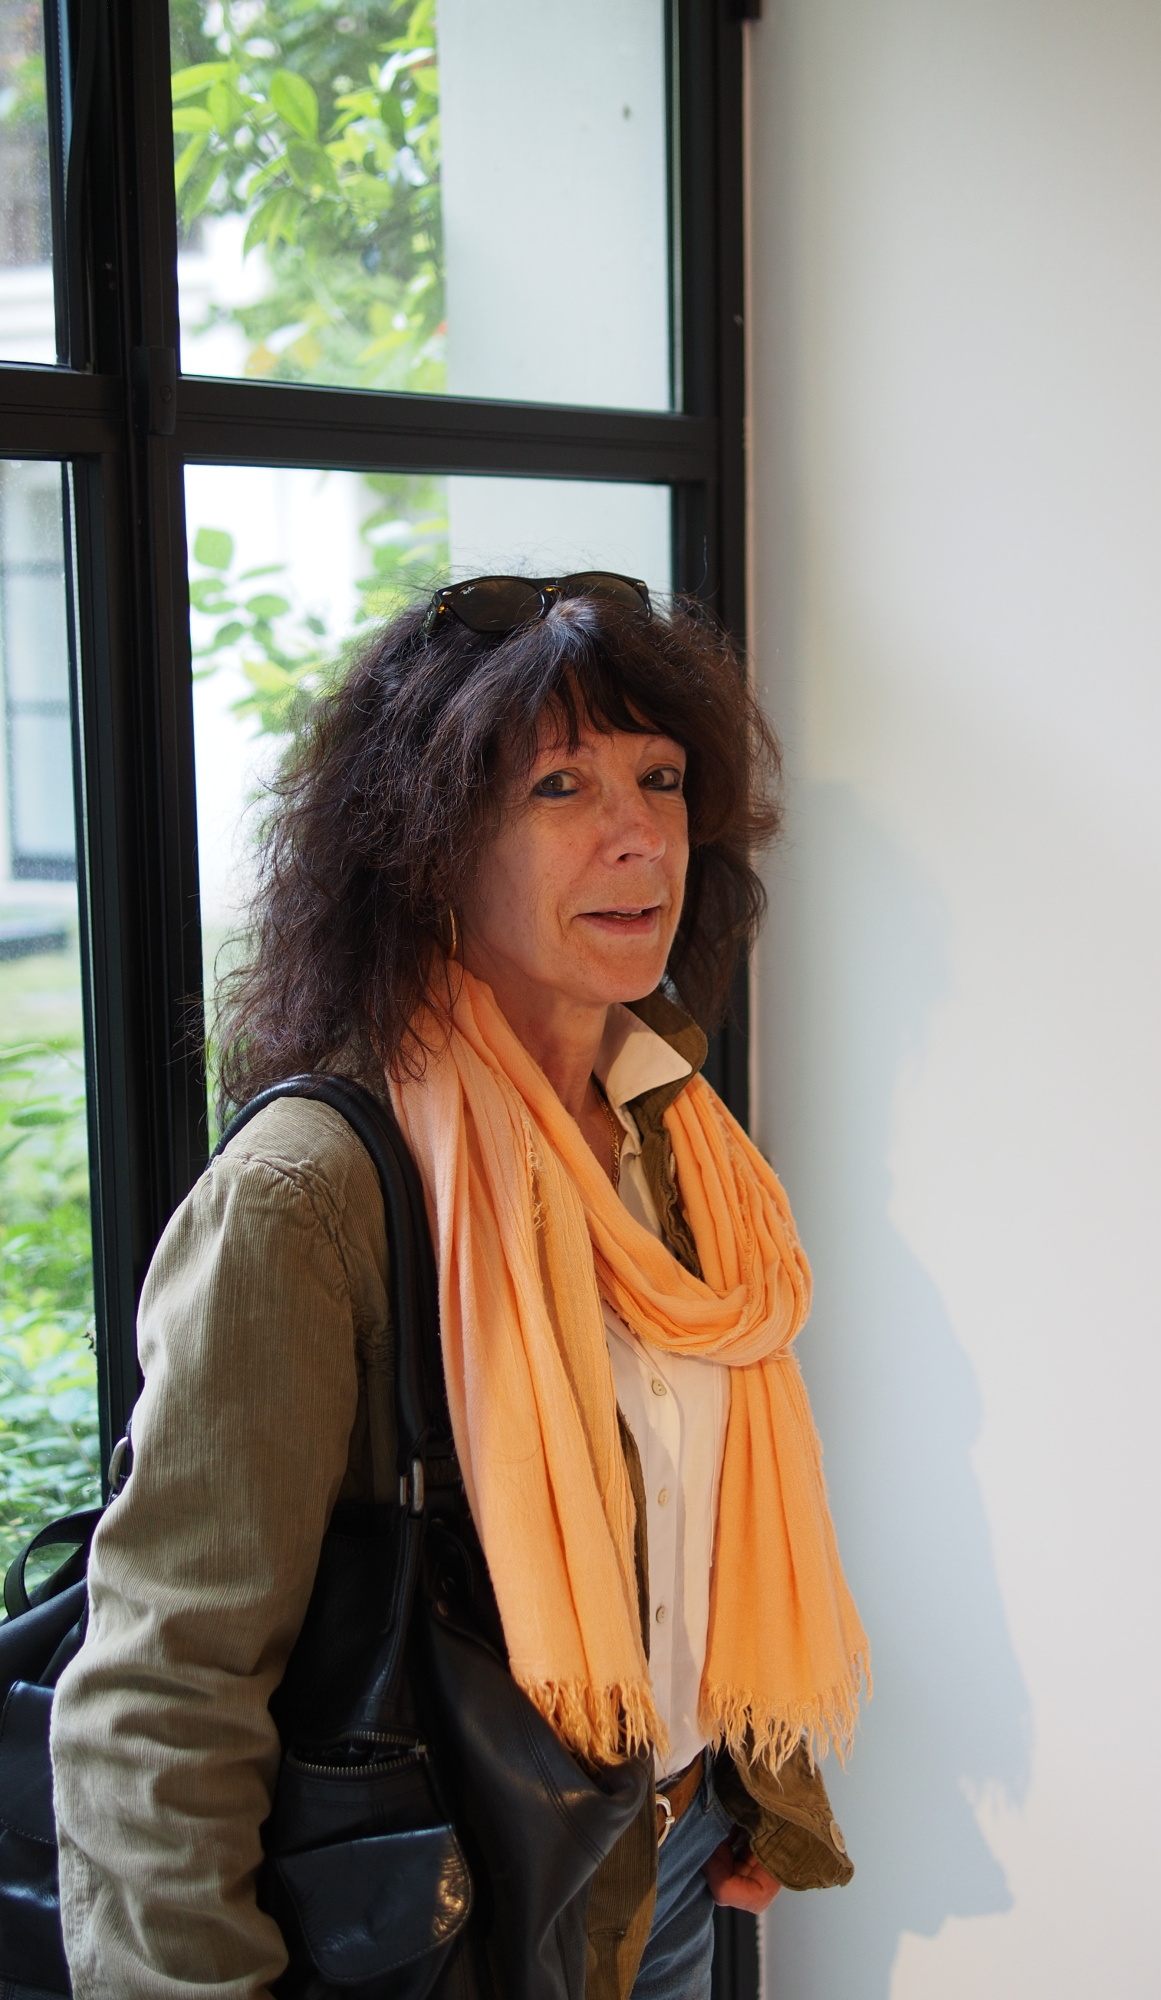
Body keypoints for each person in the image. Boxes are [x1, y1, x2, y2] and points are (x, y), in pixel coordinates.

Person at [51, 571, 870, 2000]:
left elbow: (696, 1513)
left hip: (659, 1875)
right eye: (560, 786)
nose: (639, 836)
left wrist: (752, 1779)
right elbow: (165, 1693)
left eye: (660, 779)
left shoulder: (681, 1141)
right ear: (428, 848)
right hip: (443, 1912)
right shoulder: (314, 1197)